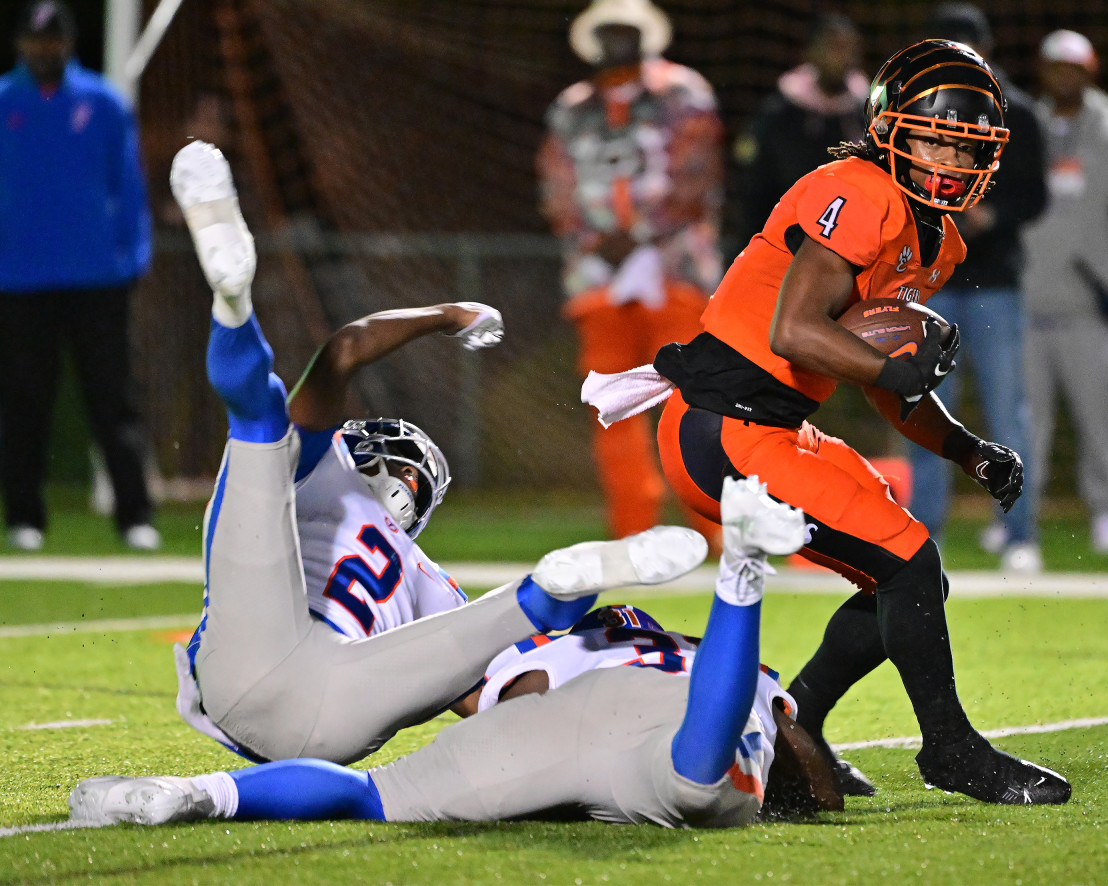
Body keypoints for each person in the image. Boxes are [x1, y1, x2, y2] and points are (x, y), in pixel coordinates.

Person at [586, 40, 1072, 805]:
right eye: (935, 134)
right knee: (906, 562)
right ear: (891, 129)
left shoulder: (938, 238)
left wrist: (967, 450)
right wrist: (892, 367)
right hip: (723, 420)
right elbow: (796, 331)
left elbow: (886, 382)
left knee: (910, 576)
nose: (947, 155)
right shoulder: (859, 189)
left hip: (770, 424)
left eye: (965, 144)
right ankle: (949, 748)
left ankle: (795, 730)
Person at [165, 140, 707, 767]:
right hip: (340, 716)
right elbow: (488, 693)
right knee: (483, 632)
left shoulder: (324, 466)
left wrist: (449, 314)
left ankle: (232, 306)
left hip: (248, 657)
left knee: (261, 418)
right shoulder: (425, 575)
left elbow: (342, 350)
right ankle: (545, 594)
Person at [68, 476, 846, 829]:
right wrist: (820, 777)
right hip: (677, 704)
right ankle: (741, 570)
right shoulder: (714, 665)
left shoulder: (526, 652)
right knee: (694, 778)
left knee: (364, 794)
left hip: (543, 713)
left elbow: (491, 694)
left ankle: (198, 793)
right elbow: (813, 775)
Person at [536, 0, 723, 546]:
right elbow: (555, 186)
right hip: (599, 277)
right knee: (611, 404)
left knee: (693, 398)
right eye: (608, 31)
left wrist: (640, 233)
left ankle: (710, 526)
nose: (618, 41)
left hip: (674, 268)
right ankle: (632, 531)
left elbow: (699, 170)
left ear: (646, 35)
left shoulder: (683, 93)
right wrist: (599, 241)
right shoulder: (571, 109)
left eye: (628, 30)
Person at [0, 0, 158, 551]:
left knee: (113, 400)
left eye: (54, 41)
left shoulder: (104, 103)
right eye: (35, 41)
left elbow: (131, 188)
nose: (45, 51)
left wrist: (134, 257)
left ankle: (135, 516)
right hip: (19, 278)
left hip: (96, 277)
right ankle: (25, 517)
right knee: (24, 401)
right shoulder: (3, 102)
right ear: (22, 44)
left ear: (68, 44)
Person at [907, 3, 1048, 574]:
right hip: (933, 284)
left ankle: (1019, 534)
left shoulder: (1022, 114)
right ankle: (922, 537)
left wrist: (991, 216)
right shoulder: (915, 112)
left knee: (1006, 414)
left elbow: (1036, 196)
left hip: (993, 284)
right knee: (920, 407)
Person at [1020, 30, 1108, 556]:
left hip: (1096, 312)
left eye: (1074, 67)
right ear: (1043, 70)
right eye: (1056, 66)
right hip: (1028, 309)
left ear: (1091, 72)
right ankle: (1017, 524)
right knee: (1022, 428)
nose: (1065, 76)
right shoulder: (1023, 133)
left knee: (1102, 424)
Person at [732, 14, 868, 254]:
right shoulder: (778, 114)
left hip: (847, 245)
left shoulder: (865, 115)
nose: (839, 55)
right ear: (811, 52)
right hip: (781, 241)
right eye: (832, 46)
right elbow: (753, 187)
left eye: (846, 47)